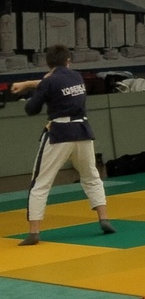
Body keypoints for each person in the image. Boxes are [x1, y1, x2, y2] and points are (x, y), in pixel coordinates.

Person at [15, 45, 113, 245]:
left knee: (40, 182)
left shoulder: (49, 82)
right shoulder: (76, 77)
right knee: (91, 176)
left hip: (60, 133)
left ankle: (34, 232)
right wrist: (28, 84)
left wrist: (30, 91)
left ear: (48, 63)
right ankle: (104, 218)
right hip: (83, 131)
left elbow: (32, 108)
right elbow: (54, 83)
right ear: (68, 61)